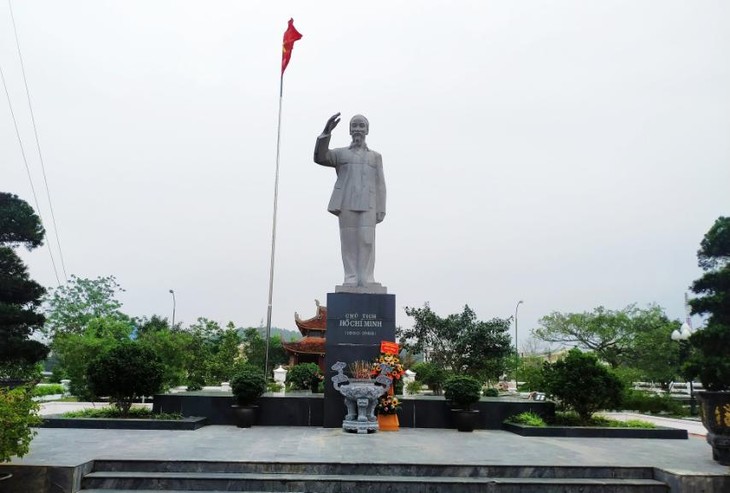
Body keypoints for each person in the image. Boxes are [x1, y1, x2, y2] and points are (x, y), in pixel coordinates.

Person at [314, 113, 386, 292]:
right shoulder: (341, 154)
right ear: (349, 130)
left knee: (367, 241)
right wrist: (326, 133)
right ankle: (351, 277)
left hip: (369, 203)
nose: (358, 129)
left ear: (367, 130)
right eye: (354, 126)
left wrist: (381, 208)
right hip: (347, 203)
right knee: (349, 243)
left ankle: (367, 278)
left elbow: (380, 184)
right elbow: (321, 157)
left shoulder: (375, 157)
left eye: (362, 126)